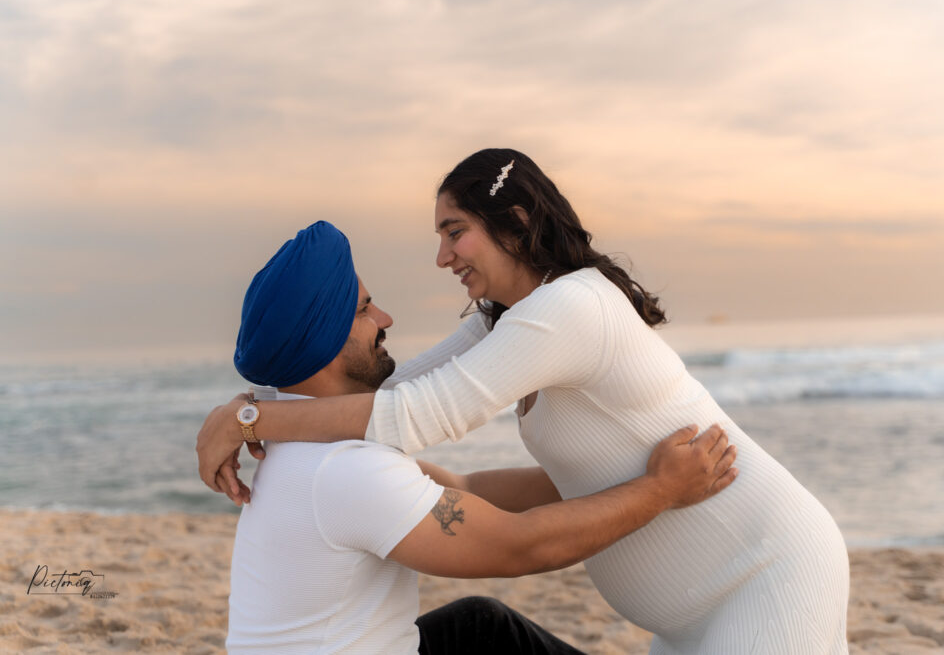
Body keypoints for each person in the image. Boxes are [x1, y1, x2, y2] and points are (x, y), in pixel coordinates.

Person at [199, 150, 850, 654]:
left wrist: (252, 416)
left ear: (513, 222)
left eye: (455, 232)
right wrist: (255, 406)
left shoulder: (568, 308)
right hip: (694, 600)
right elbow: (393, 396)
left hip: (762, 567)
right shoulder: (503, 320)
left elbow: (414, 414)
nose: (441, 255)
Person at [221, 220, 737, 654]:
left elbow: (464, 488)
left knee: (481, 628)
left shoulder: (300, 440)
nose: (385, 319)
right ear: (325, 343)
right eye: (364, 310)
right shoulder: (343, 470)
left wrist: (609, 471)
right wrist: (660, 490)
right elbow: (520, 548)